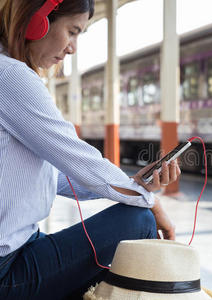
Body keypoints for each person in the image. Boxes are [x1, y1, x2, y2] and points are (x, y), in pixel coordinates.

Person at [0, 0, 179, 299]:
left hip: (19, 253)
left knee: (111, 274)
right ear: (37, 20)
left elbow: (58, 176)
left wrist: (134, 185)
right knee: (139, 220)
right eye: (72, 31)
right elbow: (79, 159)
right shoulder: (11, 77)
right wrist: (151, 203)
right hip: (8, 270)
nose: (72, 48)